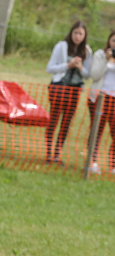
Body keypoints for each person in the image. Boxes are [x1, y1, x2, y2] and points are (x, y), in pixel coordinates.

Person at [45, 21, 92, 166]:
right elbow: (50, 68)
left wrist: (79, 67)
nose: (77, 36)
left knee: (66, 122)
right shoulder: (61, 46)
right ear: (71, 33)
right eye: (75, 33)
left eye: (80, 34)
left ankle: (57, 154)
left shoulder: (87, 51)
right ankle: (48, 153)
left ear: (84, 36)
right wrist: (67, 65)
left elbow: (87, 74)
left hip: (75, 89)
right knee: (54, 120)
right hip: (59, 87)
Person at [86, 31, 115, 174]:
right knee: (97, 130)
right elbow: (94, 75)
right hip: (100, 98)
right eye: (114, 40)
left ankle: (113, 165)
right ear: (109, 41)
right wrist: (106, 60)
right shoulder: (100, 55)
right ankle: (92, 161)